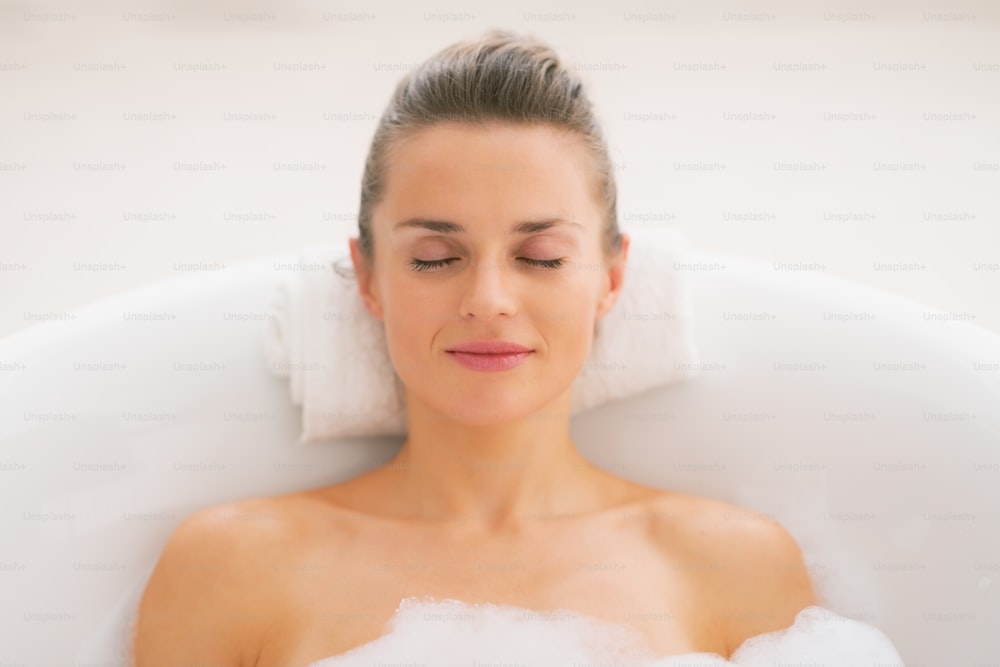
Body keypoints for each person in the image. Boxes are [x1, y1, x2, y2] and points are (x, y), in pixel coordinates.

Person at [132, 29, 818, 666]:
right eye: (435, 256)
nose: (489, 298)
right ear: (368, 277)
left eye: (542, 256)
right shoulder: (232, 567)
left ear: (611, 278)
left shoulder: (732, 566)